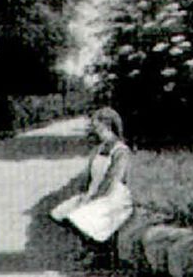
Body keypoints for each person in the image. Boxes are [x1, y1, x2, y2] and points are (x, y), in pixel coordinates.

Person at [50, 107, 133, 269]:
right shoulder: (99, 149)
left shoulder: (120, 151)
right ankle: (93, 248)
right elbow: (89, 175)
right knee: (60, 214)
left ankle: (99, 253)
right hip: (94, 192)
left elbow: (112, 179)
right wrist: (84, 193)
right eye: (95, 128)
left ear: (109, 127)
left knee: (82, 215)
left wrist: (93, 198)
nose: (96, 132)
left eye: (98, 128)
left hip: (113, 196)